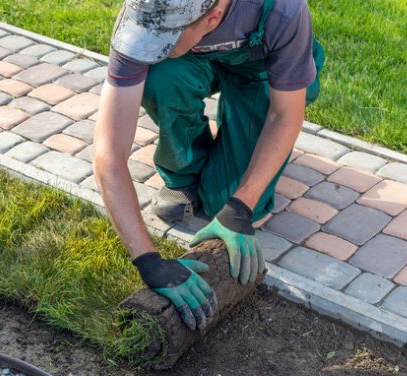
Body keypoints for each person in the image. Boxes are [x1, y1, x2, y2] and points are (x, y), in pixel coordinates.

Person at [93, 0, 324, 331]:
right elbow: (108, 153)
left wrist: (240, 208)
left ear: (213, 16)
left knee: (226, 203)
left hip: (258, 69)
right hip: (191, 60)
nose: (150, 43)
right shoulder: (145, 16)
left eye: (164, 37)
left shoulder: (283, 9)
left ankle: (239, 126)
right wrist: (147, 260)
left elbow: (286, 114)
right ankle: (184, 172)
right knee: (159, 73)